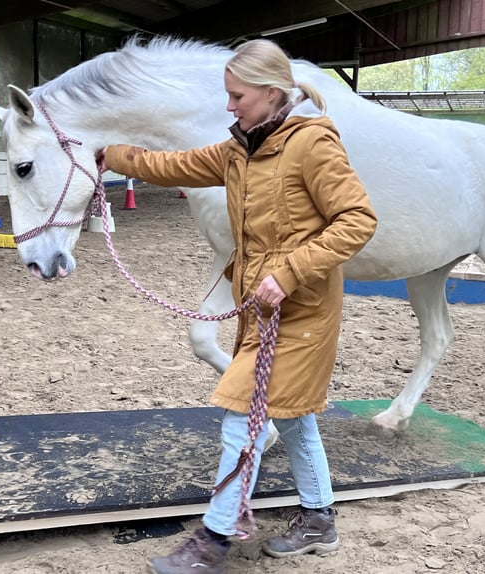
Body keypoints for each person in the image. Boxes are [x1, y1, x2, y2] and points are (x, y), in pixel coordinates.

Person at [96, 39, 377, 574]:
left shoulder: (313, 144)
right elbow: (173, 164)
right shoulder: (238, 150)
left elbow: (358, 220)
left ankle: (212, 543)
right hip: (260, 308)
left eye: (237, 96)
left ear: (271, 93)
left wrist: (290, 272)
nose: (229, 106)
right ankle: (319, 520)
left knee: (241, 416)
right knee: (292, 419)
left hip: (303, 310)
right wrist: (111, 154)